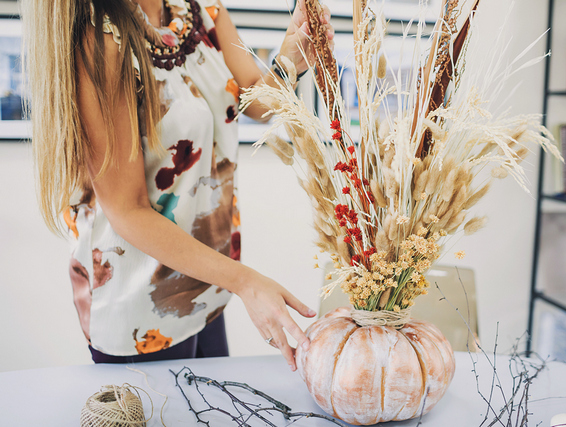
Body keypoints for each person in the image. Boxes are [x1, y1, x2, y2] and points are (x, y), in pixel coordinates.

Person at [22, 0, 334, 370]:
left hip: (208, 287)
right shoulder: (100, 41)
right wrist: (247, 282)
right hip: (142, 309)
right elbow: (127, 210)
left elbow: (251, 95)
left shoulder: (200, 12)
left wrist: (289, 61)